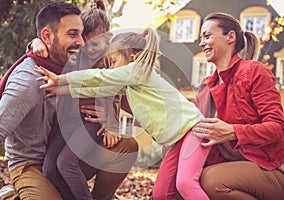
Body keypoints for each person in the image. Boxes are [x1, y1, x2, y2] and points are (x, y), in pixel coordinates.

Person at [35, 27, 210, 199]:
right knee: (161, 194)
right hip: (177, 139)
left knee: (186, 183)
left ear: (132, 58)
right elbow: (98, 88)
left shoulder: (139, 70)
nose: (112, 68)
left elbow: (101, 77)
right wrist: (61, 90)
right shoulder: (131, 84)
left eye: (114, 61)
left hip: (193, 129)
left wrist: (61, 78)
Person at [31, 1, 138, 199]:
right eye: (86, 43)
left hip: (92, 122)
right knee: (50, 169)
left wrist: (111, 123)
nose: (91, 49)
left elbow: (114, 94)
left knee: (65, 164)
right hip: (70, 124)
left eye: (97, 44)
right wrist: (34, 42)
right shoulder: (73, 55)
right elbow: (51, 46)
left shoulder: (109, 60)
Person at [0, 2, 84, 200]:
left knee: (122, 145)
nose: (81, 42)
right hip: (30, 165)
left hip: (61, 159)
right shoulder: (28, 81)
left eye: (81, 34)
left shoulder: (70, 69)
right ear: (47, 36)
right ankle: (8, 197)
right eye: (73, 34)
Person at [194, 12, 284, 200]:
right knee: (182, 184)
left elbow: (278, 128)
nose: (201, 43)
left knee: (212, 182)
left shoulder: (254, 71)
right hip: (227, 166)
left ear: (231, 37)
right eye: (201, 38)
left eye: (207, 36)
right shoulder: (204, 87)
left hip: (269, 167)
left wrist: (234, 132)